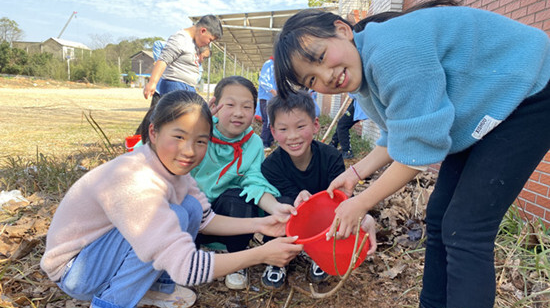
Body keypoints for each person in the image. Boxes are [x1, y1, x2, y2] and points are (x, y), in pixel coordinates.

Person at [272, 1, 550, 308]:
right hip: (486, 109)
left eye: (321, 57)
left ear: (342, 30)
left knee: (466, 227)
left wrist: (361, 202)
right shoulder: (362, 78)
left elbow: (418, 150)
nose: (326, 76)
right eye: (312, 79)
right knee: (441, 215)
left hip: (530, 87)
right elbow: (400, 134)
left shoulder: (392, 52)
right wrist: (354, 174)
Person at [40, 90, 303, 308]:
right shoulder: (136, 180)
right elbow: (186, 267)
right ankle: (109, 302)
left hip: (100, 255)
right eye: (178, 137)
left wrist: (261, 224)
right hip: (76, 271)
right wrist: (261, 255)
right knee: (174, 216)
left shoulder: (172, 169)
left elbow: (205, 219)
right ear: (153, 132)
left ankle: (156, 288)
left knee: (187, 208)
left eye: (201, 141)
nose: (189, 151)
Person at [261, 90, 377, 289]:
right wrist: (300, 200)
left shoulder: (331, 156)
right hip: (291, 221)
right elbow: (282, 199)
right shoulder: (271, 165)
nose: (293, 136)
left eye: (300, 126)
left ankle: (321, 252)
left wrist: (362, 217)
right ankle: (277, 260)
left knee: (338, 206)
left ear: (315, 125)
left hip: (326, 223)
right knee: (284, 205)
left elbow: (343, 197)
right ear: (272, 131)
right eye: (283, 129)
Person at [191, 76, 297, 290]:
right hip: (189, 213)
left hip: (222, 218)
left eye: (247, 106)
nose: (239, 113)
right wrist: (197, 124)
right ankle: (187, 256)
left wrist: (276, 208)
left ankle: (236, 259)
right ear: (214, 105)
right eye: (230, 104)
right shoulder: (197, 132)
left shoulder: (253, 143)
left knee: (238, 197)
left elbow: (254, 181)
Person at [136, 44, 211, 138]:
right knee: (160, 114)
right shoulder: (184, 48)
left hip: (183, 89)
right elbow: (158, 44)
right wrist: (162, 64)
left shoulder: (197, 65)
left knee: (164, 115)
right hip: (167, 88)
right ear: (198, 51)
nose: (202, 60)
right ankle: (141, 137)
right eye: (203, 56)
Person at [143, 14, 222, 100]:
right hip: (176, 86)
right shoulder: (180, 39)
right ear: (203, 31)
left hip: (187, 87)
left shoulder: (193, 42)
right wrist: (152, 83)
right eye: (210, 40)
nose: (208, 43)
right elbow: (163, 60)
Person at [329, 94, 368, 159]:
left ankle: (347, 151)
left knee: (342, 125)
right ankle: (333, 143)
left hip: (360, 103)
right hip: (356, 102)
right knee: (342, 124)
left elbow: (354, 92)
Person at [257, 56, 277, 149]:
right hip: (267, 98)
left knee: (273, 120)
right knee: (268, 120)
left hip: (273, 98)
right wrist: (272, 91)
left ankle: (270, 141)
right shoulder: (269, 64)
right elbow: (263, 80)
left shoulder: (277, 66)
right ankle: (264, 143)